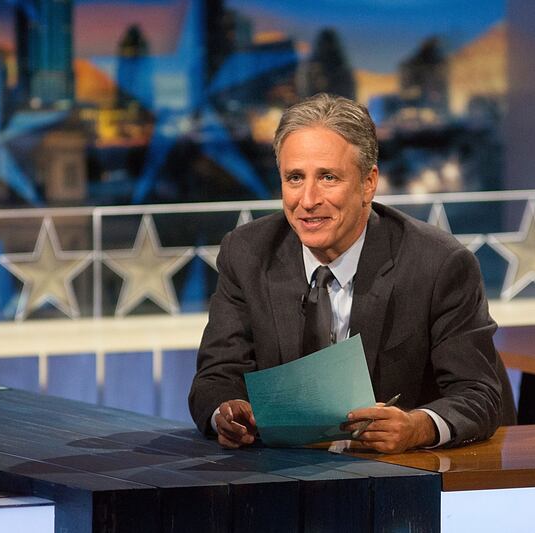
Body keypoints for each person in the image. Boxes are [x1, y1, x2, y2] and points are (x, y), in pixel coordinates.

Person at [188, 93, 515, 453]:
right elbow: (215, 377)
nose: (308, 199)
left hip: (401, 478)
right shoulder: (247, 252)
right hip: (279, 475)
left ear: (369, 183)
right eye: (294, 178)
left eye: (328, 177)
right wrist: (226, 412)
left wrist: (417, 427)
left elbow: (479, 394)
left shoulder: (438, 264)